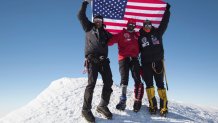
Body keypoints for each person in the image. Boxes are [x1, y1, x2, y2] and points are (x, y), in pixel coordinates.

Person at [77, 0, 113, 122]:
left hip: (104, 61)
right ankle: (85, 109)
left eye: (100, 20)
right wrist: (85, 3)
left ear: (102, 22)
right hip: (92, 59)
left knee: (109, 82)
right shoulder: (88, 27)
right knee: (91, 84)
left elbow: (116, 39)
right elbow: (80, 16)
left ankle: (102, 105)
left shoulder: (106, 33)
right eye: (96, 20)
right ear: (94, 21)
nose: (98, 22)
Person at [138, 3, 171, 116]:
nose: (147, 27)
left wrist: (167, 10)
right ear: (143, 26)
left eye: (149, 25)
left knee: (160, 85)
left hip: (158, 63)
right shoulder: (139, 37)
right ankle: (153, 106)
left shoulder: (158, 32)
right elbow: (134, 49)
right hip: (146, 64)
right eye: (145, 25)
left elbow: (164, 22)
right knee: (149, 85)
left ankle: (164, 107)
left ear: (151, 25)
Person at [108, 19, 144, 112]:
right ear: (127, 25)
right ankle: (123, 100)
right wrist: (103, 38)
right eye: (130, 24)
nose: (131, 26)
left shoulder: (137, 35)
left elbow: (143, 45)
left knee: (137, 78)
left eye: (133, 24)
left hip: (134, 59)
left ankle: (137, 100)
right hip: (123, 58)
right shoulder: (121, 34)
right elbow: (110, 42)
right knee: (124, 78)